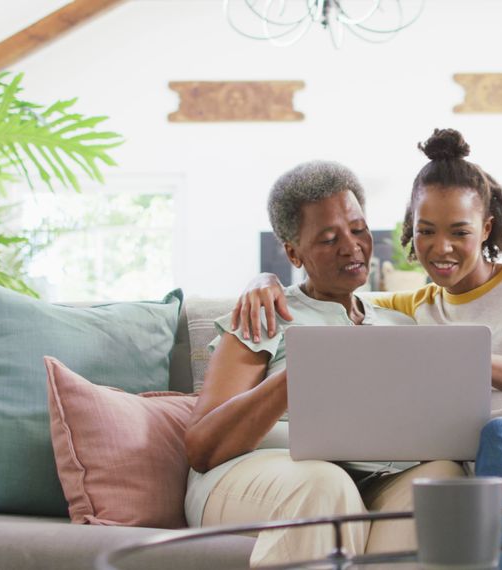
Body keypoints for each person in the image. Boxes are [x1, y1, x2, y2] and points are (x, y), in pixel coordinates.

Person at [232, 129, 502, 548]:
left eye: (459, 232)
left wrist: (459, 358)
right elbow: (333, 296)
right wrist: (264, 281)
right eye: (426, 231)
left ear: (486, 228)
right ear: (410, 230)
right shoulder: (410, 309)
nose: (441, 248)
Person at [185, 160, 463, 567]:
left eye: (357, 229)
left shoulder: (400, 325)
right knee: (325, 483)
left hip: (370, 479)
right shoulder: (265, 313)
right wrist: (299, 377)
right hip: (253, 477)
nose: (351, 247)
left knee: (441, 478)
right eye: (328, 238)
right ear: (293, 252)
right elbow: (202, 448)